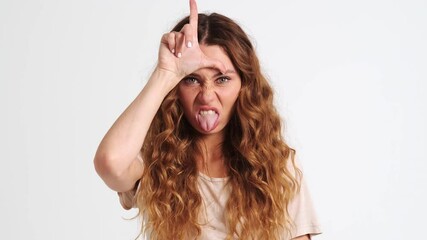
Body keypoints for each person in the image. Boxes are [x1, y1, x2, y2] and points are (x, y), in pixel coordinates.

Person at [94, 0, 321, 239]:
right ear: (175, 88)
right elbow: (110, 162)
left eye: (222, 79)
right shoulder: (155, 161)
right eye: (192, 79)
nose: (206, 96)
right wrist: (166, 73)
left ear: (245, 86)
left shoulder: (275, 165)